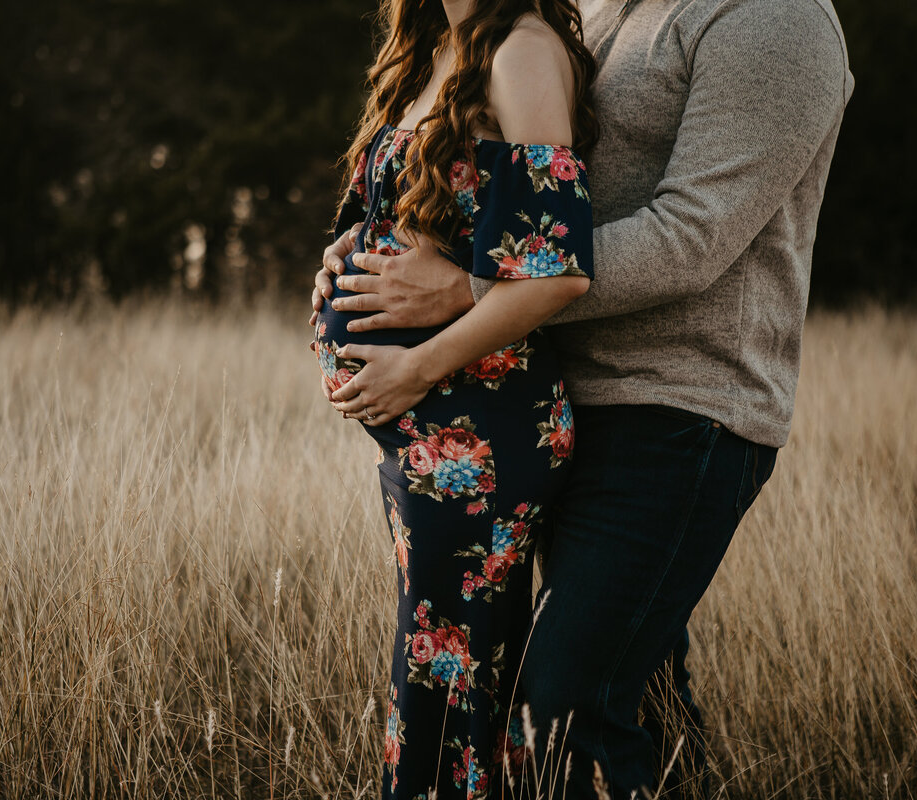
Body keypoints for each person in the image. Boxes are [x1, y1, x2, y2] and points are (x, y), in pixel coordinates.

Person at [312, 1, 854, 798]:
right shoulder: (597, 9)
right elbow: (494, 177)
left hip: (681, 406)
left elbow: (692, 236)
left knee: (564, 702)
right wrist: (374, 245)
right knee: (637, 699)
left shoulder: (773, 20)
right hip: (556, 395)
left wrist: (467, 292)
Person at [311, 0, 603, 796]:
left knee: (444, 685)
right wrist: (349, 249)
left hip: (481, 435)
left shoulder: (524, 51)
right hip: (428, 439)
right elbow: (435, 218)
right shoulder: (437, 45)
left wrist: (415, 368)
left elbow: (557, 269)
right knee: (454, 682)